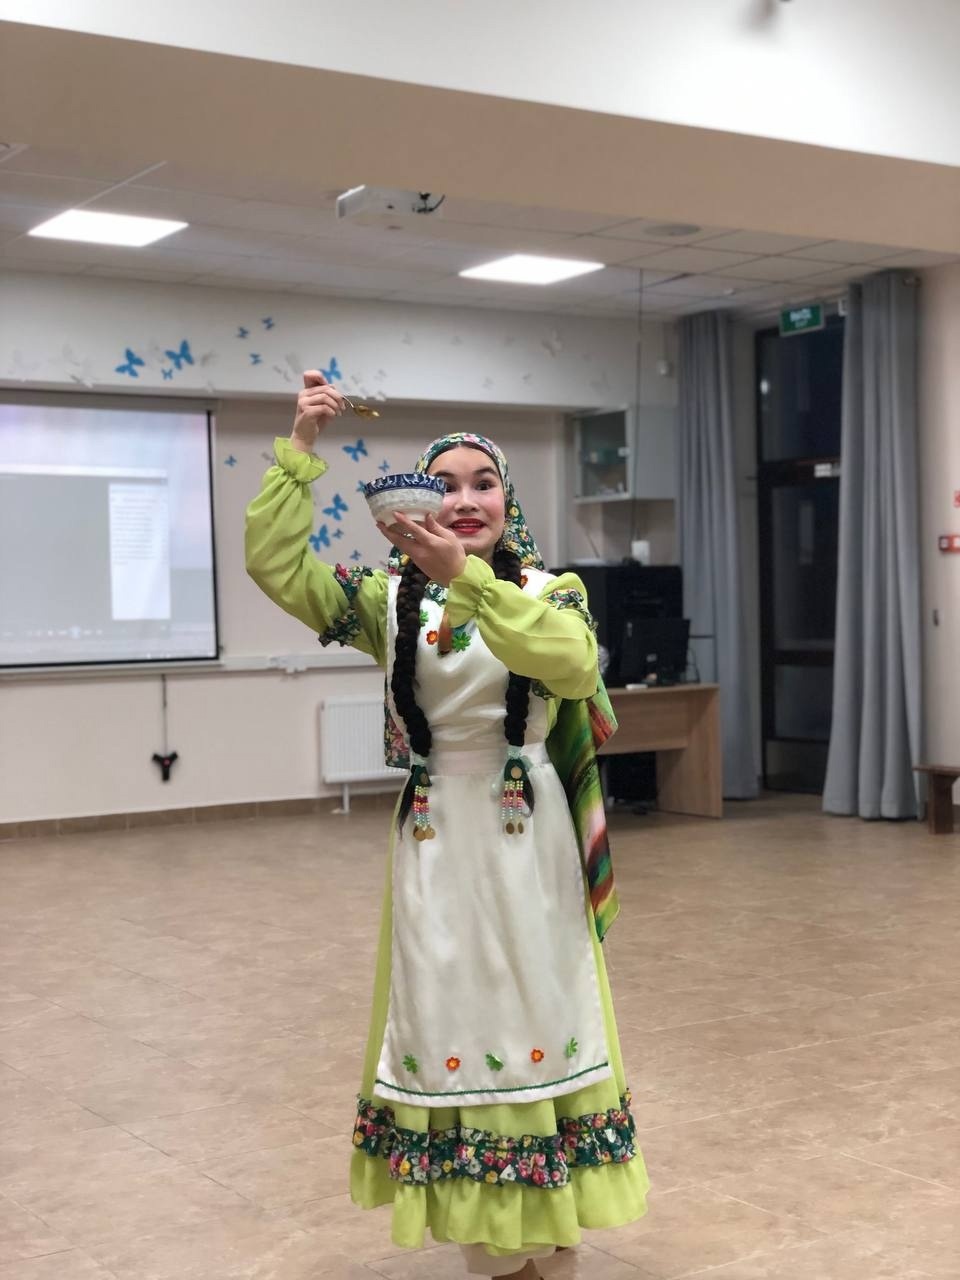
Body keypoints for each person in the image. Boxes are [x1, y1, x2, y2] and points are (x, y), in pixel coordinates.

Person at [245, 371, 649, 1276]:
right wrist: (300, 449)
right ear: (418, 502)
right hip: (436, 835)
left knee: (542, 1000)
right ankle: (491, 1244)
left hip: (529, 833)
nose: (465, 500)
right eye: (446, 484)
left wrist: (465, 580)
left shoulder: (551, 589)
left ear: (508, 500)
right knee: (448, 1006)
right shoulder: (385, 600)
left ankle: (551, 1216)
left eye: (484, 483)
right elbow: (275, 567)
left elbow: (572, 665)